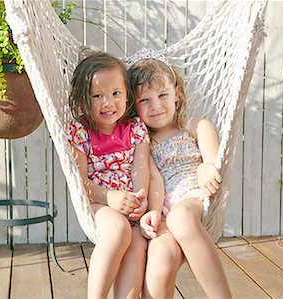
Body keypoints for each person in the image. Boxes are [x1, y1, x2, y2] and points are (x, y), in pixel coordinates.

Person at [126, 49, 232, 299]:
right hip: (161, 211)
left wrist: (205, 167)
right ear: (134, 106)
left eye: (162, 94)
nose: (156, 105)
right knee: (160, 260)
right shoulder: (141, 143)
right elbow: (152, 178)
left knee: (181, 219)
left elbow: (214, 163)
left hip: (192, 198)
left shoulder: (196, 127)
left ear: (177, 93)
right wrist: (152, 211)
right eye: (145, 100)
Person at [68, 51, 150, 298]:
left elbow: (141, 166)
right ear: (83, 100)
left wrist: (141, 198)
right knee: (117, 229)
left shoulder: (135, 128)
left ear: (126, 95)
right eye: (97, 96)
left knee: (137, 243)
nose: (108, 103)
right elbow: (80, 182)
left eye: (116, 94)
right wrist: (109, 197)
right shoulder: (80, 131)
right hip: (99, 204)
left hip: (130, 203)